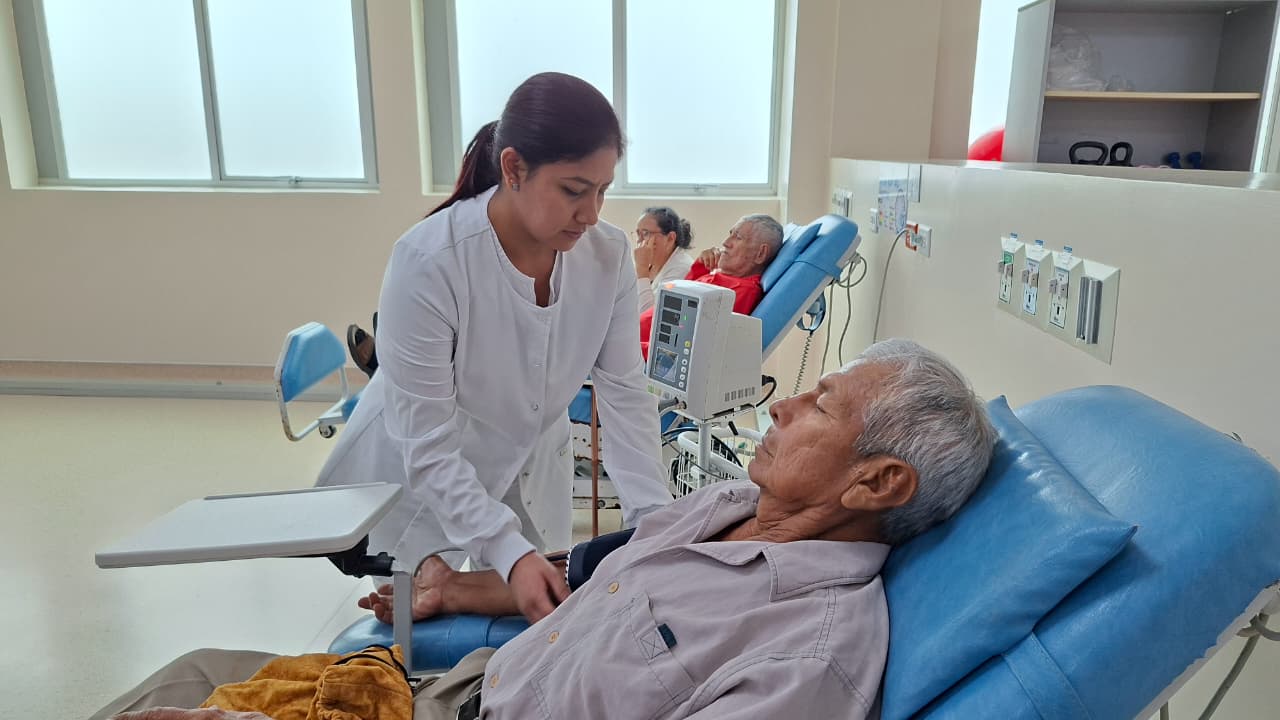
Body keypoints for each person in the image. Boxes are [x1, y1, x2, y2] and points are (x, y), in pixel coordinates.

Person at [94, 339, 996, 720]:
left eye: (820, 405)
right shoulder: (726, 506)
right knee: (193, 673)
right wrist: (455, 589)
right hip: (460, 690)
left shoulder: (808, 654)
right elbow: (591, 570)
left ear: (878, 481)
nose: (784, 403)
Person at [315, 72, 674, 626]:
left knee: (541, 620)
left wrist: (655, 525)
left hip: (530, 463)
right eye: (573, 190)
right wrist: (506, 551)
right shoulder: (430, 261)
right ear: (513, 169)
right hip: (422, 475)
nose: (591, 214)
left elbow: (626, 398)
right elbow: (427, 444)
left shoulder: (606, 258)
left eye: (603, 190)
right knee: (412, 623)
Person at [639, 213, 783, 358]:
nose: (725, 242)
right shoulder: (725, 277)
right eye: (730, 234)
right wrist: (701, 266)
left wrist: (633, 348)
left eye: (738, 238)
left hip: (638, 351)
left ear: (760, 254)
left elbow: (687, 345)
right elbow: (680, 295)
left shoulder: (740, 292)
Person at [632, 206, 695, 314]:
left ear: (670, 238)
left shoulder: (682, 269)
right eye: (638, 234)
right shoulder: (650, 261)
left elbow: (648, 315)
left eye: (646, 233)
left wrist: (641, 268)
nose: (639, 241)